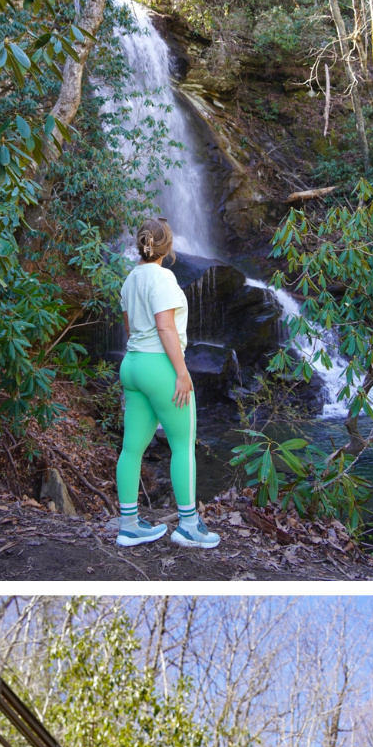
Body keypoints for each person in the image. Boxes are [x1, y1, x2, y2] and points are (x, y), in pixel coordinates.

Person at [116, 217, 220, 550]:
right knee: (182, 445)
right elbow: (165, 328)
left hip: (132, 365)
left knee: (132, 448)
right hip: (158, 365)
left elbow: (129, 326)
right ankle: (189, 526)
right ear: (167, 247)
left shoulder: (131, 277)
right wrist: (181, 372)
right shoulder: (163, 277)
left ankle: (129, 525)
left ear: (141, 244)